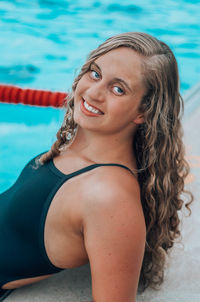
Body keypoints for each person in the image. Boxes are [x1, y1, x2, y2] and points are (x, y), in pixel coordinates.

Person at [0, 32, 193, 302]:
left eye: (118, 89)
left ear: (144, 112)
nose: (93, 92)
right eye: (94, 73)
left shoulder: (110, 198)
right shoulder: (80, 150)